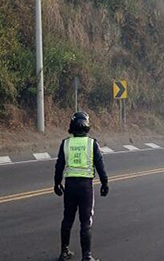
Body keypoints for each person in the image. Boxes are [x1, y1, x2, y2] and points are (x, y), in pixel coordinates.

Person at [54, 111, 109, 261]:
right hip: (85, 187)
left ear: (72, 125)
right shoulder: (92, 143)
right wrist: (105, 183)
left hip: (70, 186)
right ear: (87, 125)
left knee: (67, 219)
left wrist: (56, 183)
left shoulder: (66, 143)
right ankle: (87, 256)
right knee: (86, 220)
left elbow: (59, 166)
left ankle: (64, 252)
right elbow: (100, 165)